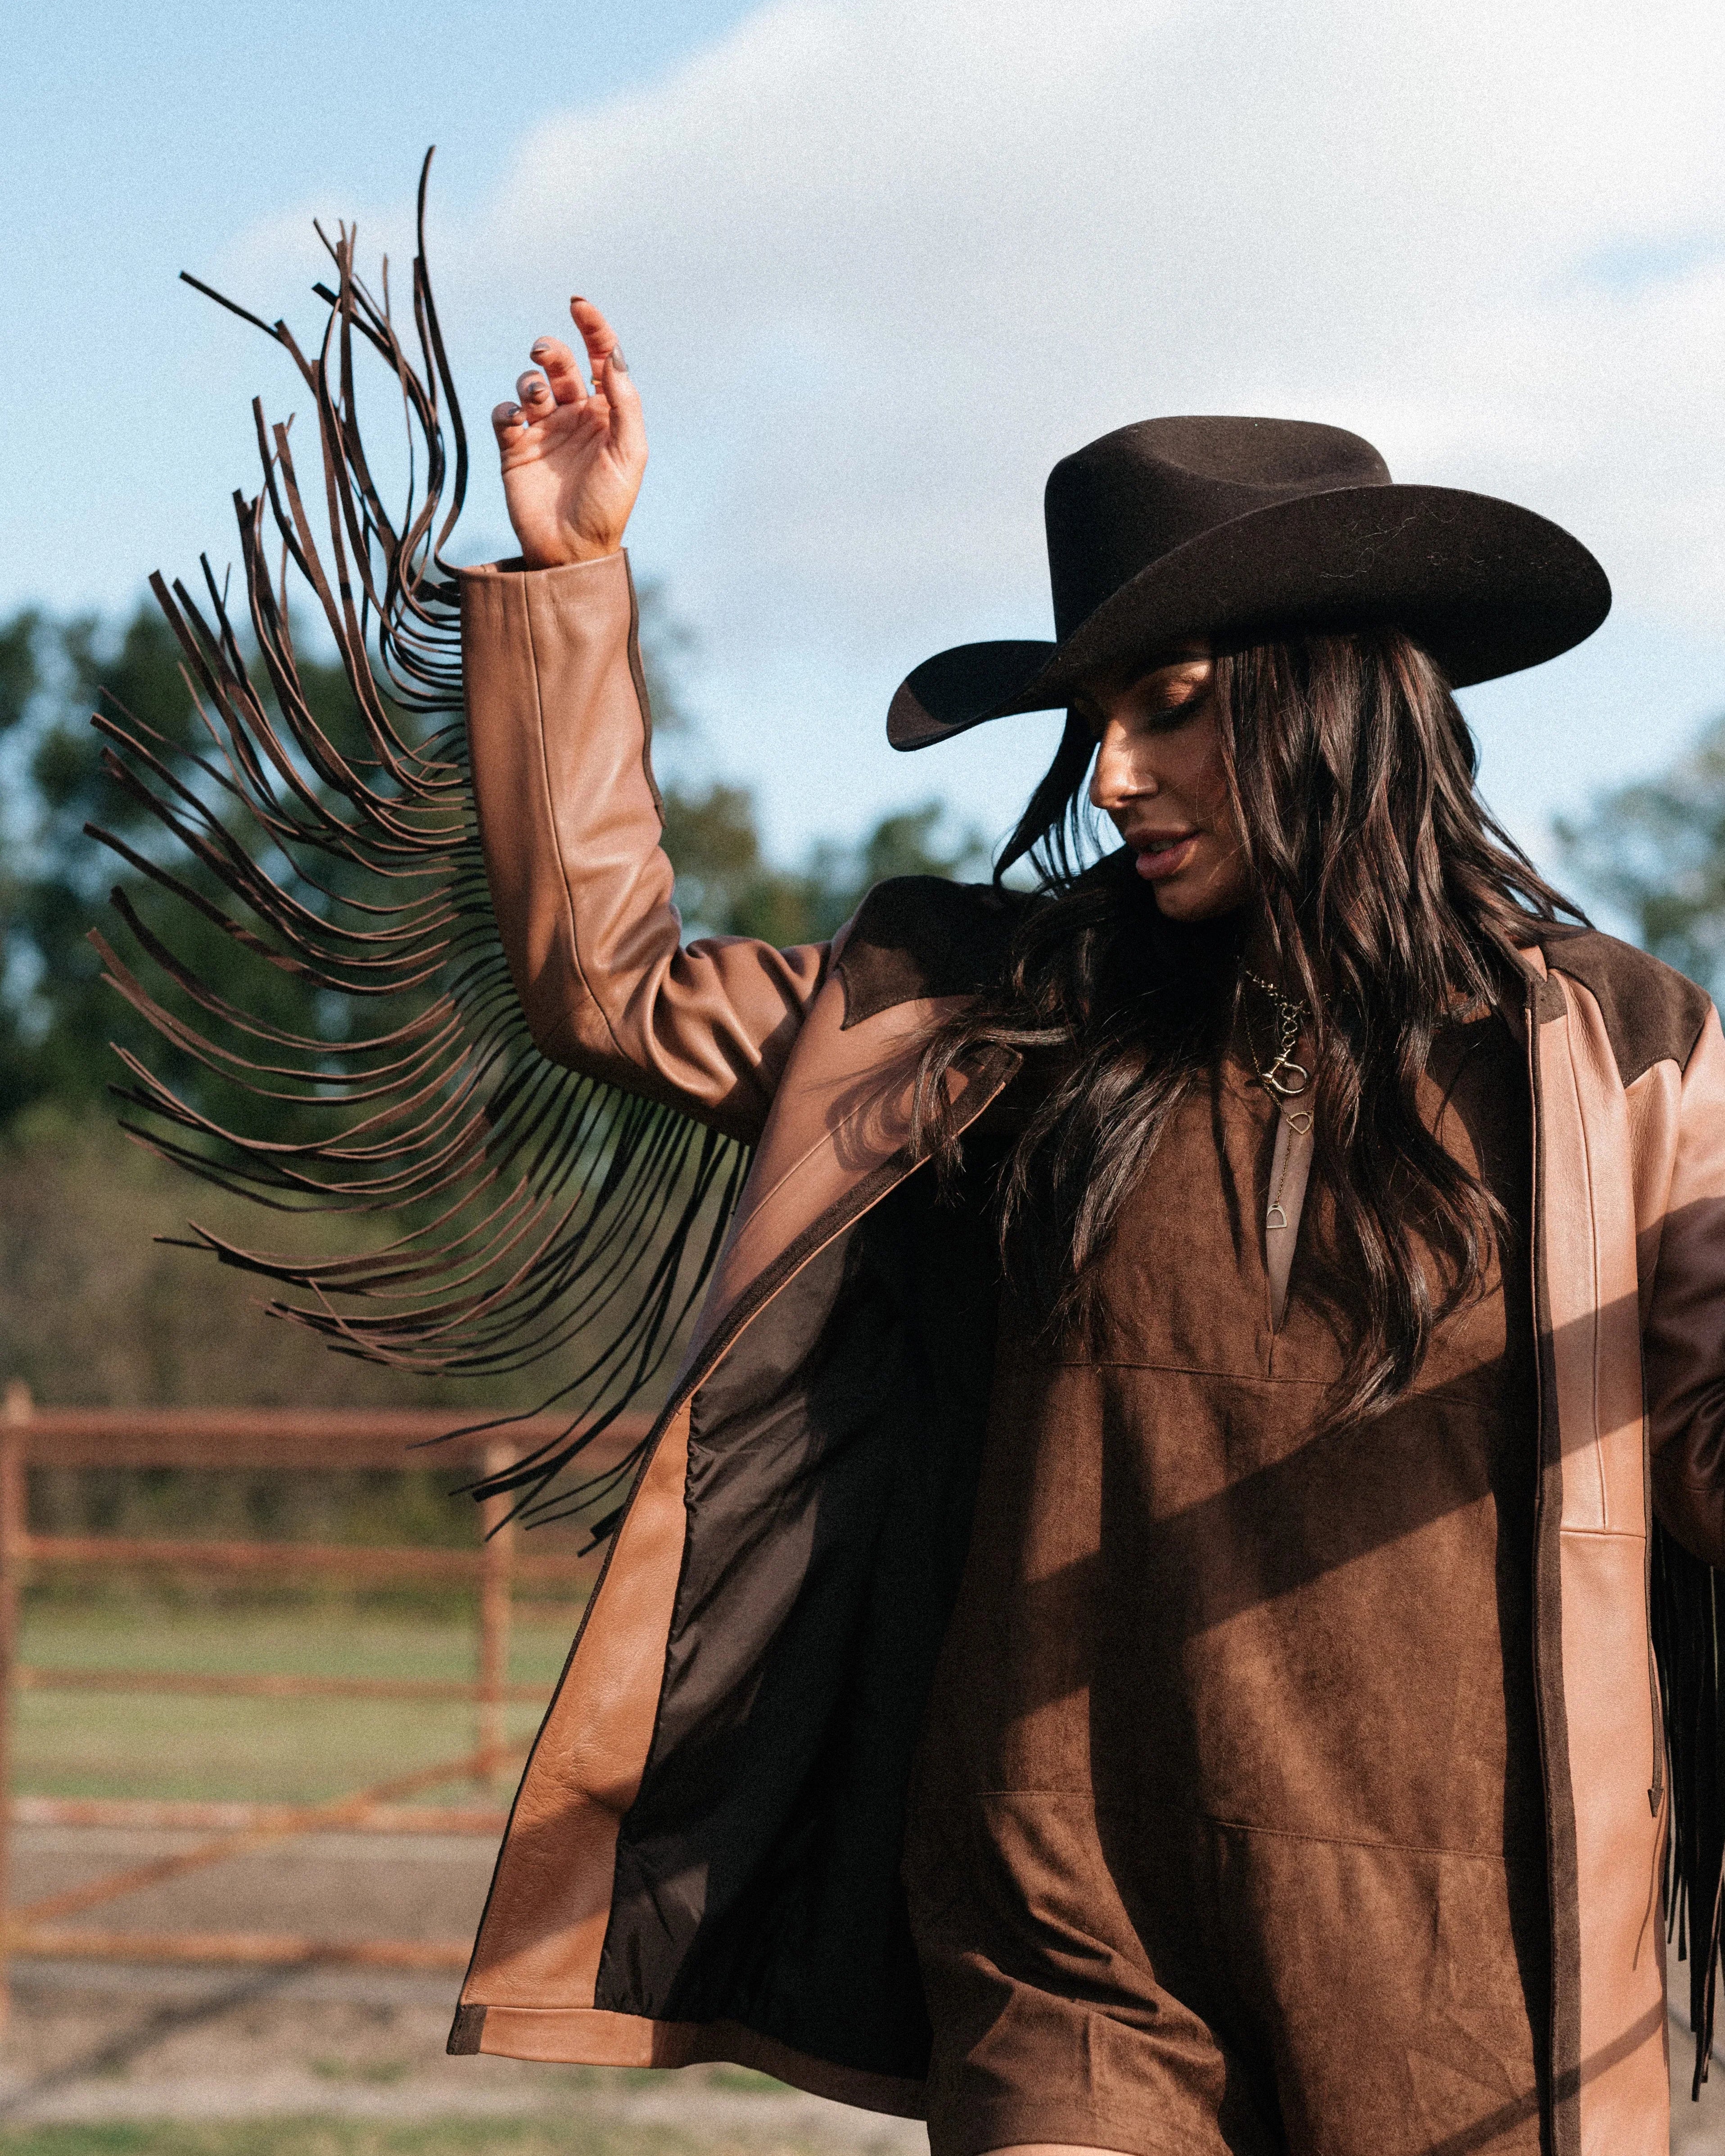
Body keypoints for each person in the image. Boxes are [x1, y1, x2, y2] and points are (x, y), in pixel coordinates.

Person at [104, 233, 1717, 2156]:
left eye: (1171, 705)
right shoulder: (991, 1020)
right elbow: (608, 986)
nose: (1110, 775)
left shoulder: (1613, 1058)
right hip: (1064, 1933)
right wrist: (571, 582)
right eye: (1093, 721)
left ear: (1332, 702)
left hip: (1462, 1951)